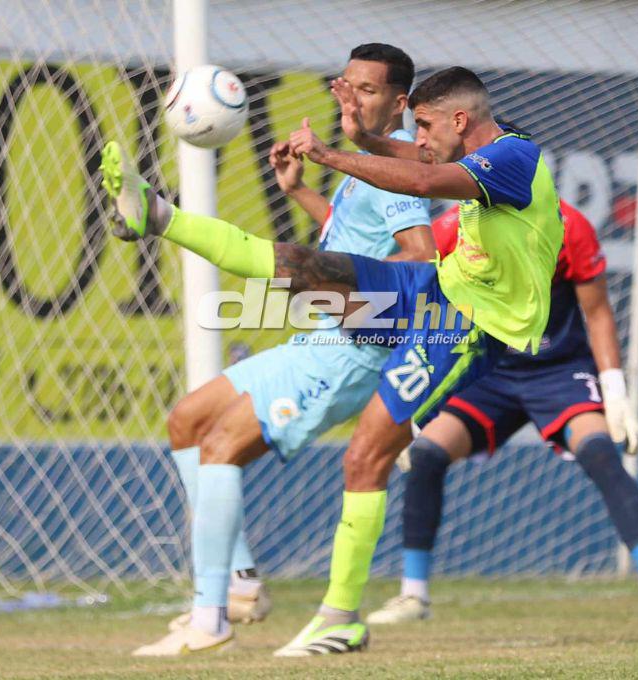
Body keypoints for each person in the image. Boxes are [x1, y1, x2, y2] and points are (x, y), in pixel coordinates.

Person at [103, 66, 564, 656]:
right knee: (297, 267)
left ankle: (339, 618)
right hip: (436, 293)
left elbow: (423, 184)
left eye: (423, 126)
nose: (417, 139)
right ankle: (159, 217)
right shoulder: (487, 147)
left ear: (459, 121)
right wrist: (365, 140)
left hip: (468, 328)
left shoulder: (516, 160)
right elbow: (420, 163)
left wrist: (329, 153)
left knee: (364, 455)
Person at [129, 43, 435, 656]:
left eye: (366, 90)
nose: (349, 96)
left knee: (219, 448)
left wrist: (353, 289)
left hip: (350, 349)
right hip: (322, 335)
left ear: (400, 103)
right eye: (345, 85)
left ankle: (209, 615)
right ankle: (239, 586)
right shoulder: (364, 161)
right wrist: (299, 193)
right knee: (187, 420)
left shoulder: (395, 171)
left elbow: (418, 255)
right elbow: (355, 243)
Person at [367, 202, 638, 626]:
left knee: (600, 450)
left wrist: (614, 391)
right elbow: (412, 290)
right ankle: (413, 596)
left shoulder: (569, 225)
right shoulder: (456, 226)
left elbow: (596, 312)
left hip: (559, 370)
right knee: (427, 453)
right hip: (487, 371)